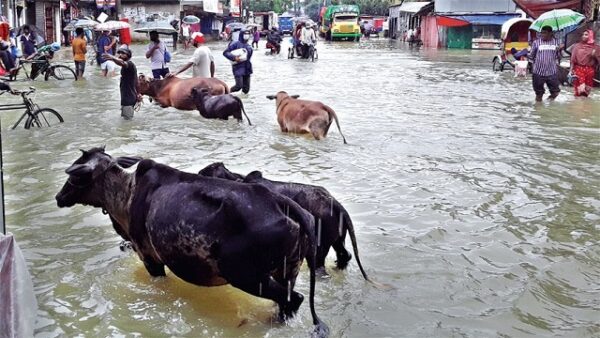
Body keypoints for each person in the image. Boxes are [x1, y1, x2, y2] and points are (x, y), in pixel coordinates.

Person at [102, 47, 140, 120]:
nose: (120, 55)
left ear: (128, 55)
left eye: (123, 53)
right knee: (125, 120)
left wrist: (112, 58)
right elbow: (136, 81)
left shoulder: (129, 64)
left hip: (128, 99)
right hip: (127, 98)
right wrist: (138, 93)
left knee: (127, 122)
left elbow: (122, 62)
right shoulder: (126, 67)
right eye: (119, 53)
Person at [529, 25, 562, 102]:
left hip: (552, 72)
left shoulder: (556, 42)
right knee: (539, 94)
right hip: (538, 72)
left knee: (556, 92)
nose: (542, 35)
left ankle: (548, 102)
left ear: (550, 33)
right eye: (541, 33)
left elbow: (559, 57)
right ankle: (539, 109)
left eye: (545, 33)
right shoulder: (536, 43)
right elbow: (531, 56)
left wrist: (559, 50)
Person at [569, 29, 600, 97]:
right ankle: (579, 105)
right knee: (581, 90)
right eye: (583, 35)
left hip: (590, 70)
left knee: (587, 91)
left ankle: (582, 106)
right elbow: (572, 60)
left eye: (586, 35)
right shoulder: (577, 46)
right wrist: (570, 71)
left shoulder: (596, 48)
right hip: (578, 69)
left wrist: (594, 55)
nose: (583, 36)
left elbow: (598, 61)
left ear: (591, 36)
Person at [223, 29, 253, 94]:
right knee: (238, 86)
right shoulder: (235, 44)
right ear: (241, 35)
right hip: (238, 68)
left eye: (248, 34)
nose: (246, 35)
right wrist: (234, 58)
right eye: (245, 34)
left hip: (247, 68)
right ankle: (228, 92)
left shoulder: (249, 46)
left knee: (246, 89)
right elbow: (225, 52)